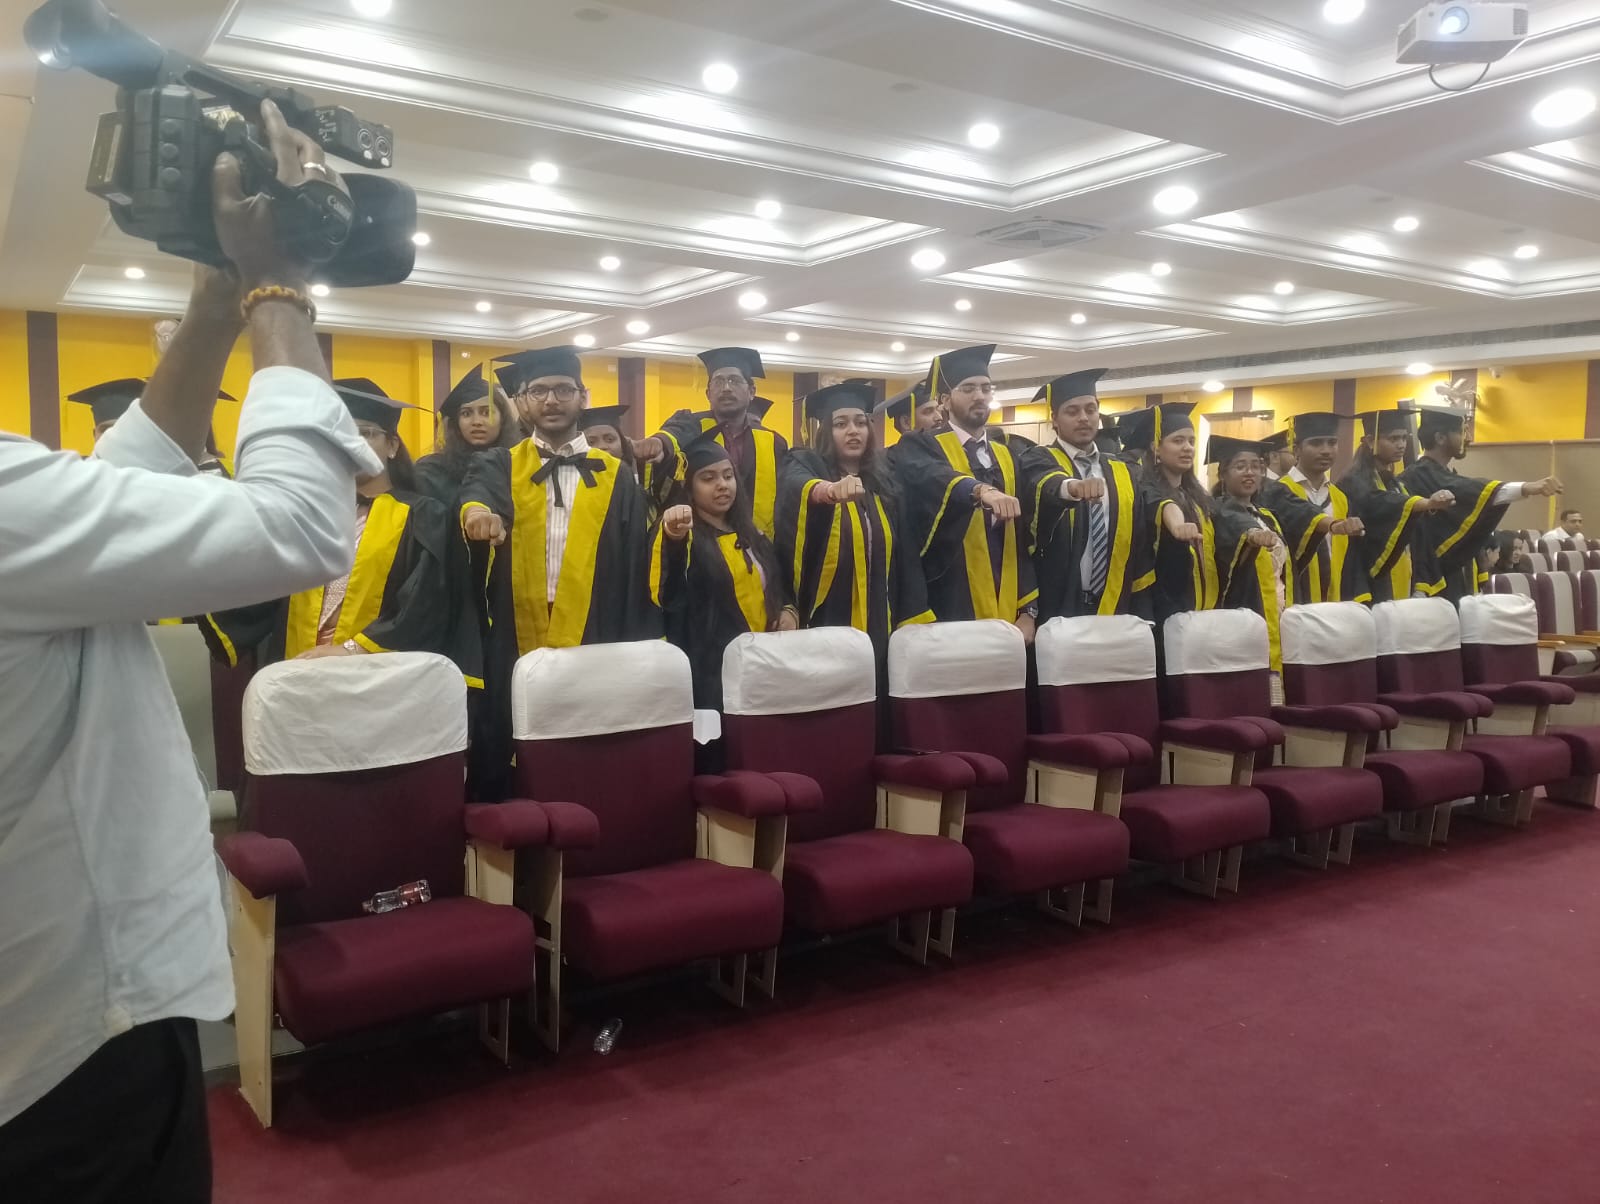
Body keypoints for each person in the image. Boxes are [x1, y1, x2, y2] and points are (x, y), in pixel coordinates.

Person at [0, 100, 380, 1203]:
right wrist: (277, 289)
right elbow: (299, 528)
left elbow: (116, 496)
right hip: (75, 1034)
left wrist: (214, 303)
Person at [461, 344, 658, 797]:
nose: (551, 400)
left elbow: (633, 563)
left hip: (595, 625)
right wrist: (476, 515)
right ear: (522, 401)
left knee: (586, 738)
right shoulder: (499, 463)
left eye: (564, 389)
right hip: (512, 627)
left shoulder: (616, 475)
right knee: (509, 733)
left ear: (582, 397)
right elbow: (476, 494)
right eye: (539, 391)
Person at [201, 380, 470, 679]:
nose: (351, 445)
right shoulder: (308, 515)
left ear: (392, 445)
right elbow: (262, 586)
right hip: (298, 670)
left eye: (365, 433)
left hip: (378, 678)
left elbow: (426, 604)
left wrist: (353, 650)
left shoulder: (424, 516)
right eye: (340, 436)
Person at [776, 379, 934, 676]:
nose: (853, 431)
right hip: (827, 615)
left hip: (880, 617)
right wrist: (827, 491)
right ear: (825, 431)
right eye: (841, 424)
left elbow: (905, 554)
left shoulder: (884, 481)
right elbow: (795, 485)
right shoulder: (805, 463)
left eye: (861, 422)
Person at [890, 344, 1036, 636]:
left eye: (985, 388)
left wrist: (1029, 611)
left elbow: (1022, 539)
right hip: (948, 603)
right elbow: (932, 475)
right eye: (968, 388)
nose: (979, 395)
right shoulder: (921, 445)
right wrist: (980, 490)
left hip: (1009, 610)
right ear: (944, 400)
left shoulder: (1007, 455)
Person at [653, 436, 797, 710]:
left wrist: (788, 611)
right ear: (689, 487)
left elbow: (780, 587)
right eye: (708, 478)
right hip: (712, 676)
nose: (722, 485)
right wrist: (673, 537)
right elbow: (669, 590)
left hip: (767, 666)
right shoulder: (686, 538)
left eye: (728, 476)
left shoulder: (753, 535)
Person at [1020, 369, 1154, 620]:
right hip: (1057, 604)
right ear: (1055, 419)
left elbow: (1140, 544)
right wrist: (1072, 488)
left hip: (1114, 603)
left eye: (1090, 410)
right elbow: (1045, 483)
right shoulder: (1039, 458)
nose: (1083, 418)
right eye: (1072, 411)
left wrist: (1143, 615)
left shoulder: (1122, 471)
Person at [1402, 408, 1561, 603]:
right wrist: (1526, 487)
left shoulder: (1442, 475)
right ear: (1440, 438)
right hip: (1432, 583)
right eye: (1462, 431)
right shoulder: (1418, 476)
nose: (1468, 438)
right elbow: (1467, 490)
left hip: (1455, 578)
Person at [632, 347, 789, 539]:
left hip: (755, 543)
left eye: (734, 380)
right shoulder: (692, 426)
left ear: (751, 391)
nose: (726, 388)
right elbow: (673, 435)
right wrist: (659, 443)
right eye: (718, 381)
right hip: (697, 542)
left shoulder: (774, 442)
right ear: (708, 393)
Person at [1121, 402, 1238, 627]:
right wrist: (1176, 526)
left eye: (1191, 441)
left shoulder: (1197, 497)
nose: (1187, 448)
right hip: (1165, 611)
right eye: (1178, 441)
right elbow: (1161, 505)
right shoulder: (1143, 490)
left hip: (1205, 612)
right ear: (1156, 447)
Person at [1209, 436, 1300, 682]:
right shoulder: (1216, 511)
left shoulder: (1268, 517)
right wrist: (1251, 535)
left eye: (1256, 466)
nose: (1249, 472)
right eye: (1240, 466)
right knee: (1256, 677)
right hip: (1248, 608)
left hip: (1280, 608)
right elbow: (1235, 526)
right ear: (1223, 473)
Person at [1337, 411, 1452, 603]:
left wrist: (1421, 584)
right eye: (1393, 439)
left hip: (1406, 576)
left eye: (1404, 438)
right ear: (1370, 441)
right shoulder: (1352, 482)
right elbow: (1379, 504)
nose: (1401, 445)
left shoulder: (1398, 485)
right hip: (1372, 581)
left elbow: (1417, 535)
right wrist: (1425, 503)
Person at [1260, 412, 1370, 603]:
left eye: (1332, 443)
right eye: (1316, 443)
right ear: (1297, 449)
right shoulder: (1276, 493)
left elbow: (1350, 558)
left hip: (1335, 601)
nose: (1326, 450)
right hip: (1293, 599)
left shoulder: (1340, 497)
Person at [413, 364, 521, 506]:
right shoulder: (431, 472)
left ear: (502, 418)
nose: (477, 422)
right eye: (466, 413)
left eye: (486, 412)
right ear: (456, 422)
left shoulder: (520, 465)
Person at [69, 378, 233, 447]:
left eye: (127, 428)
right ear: (94, 435)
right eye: (106, 429)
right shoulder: (80, 482)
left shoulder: (170, 480)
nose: (115, 436)